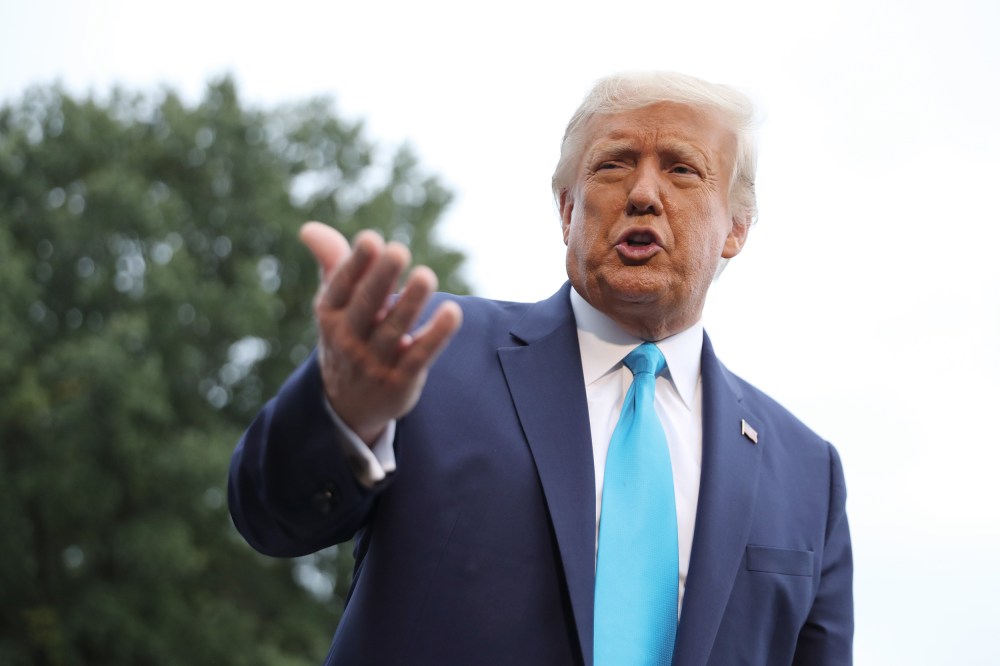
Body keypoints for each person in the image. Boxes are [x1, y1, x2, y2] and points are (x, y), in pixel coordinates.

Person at [228, 71, 853, 666]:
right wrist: (342, 413)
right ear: (566, 211)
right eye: (612, 164)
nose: (642, 193)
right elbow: (270, 518)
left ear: (736, 228)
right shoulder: (427, 350)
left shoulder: (807, 472)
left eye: (682, 169)